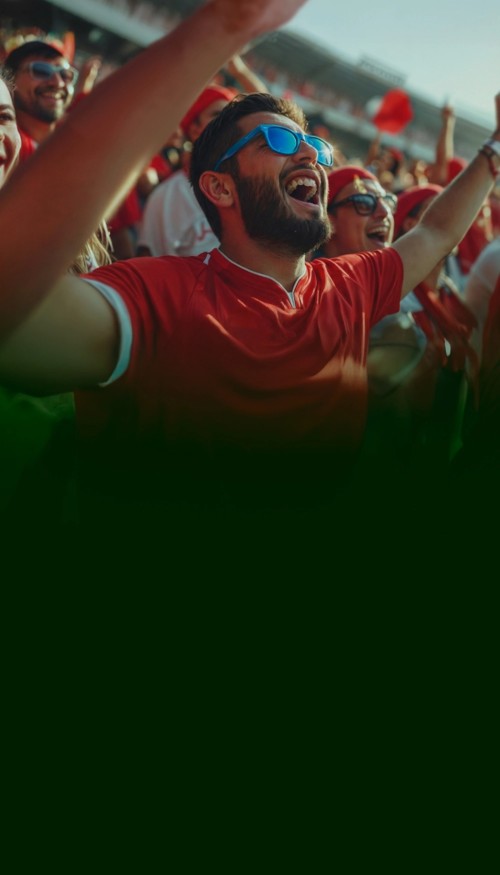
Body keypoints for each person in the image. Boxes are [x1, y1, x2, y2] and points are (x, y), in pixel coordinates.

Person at [0, 0, 498, 527]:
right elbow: (14, 327)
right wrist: (222, 27)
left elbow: (437, 232)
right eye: (279, 140)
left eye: (314, 145)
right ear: (219, 187)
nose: (309, 155)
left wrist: (493, 149)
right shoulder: (154, 298)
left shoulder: (350, 285)